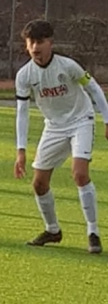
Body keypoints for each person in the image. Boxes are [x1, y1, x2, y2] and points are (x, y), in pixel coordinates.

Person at [14, 18, 108, 254]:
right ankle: (53, 230)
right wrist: (21, 151)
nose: (35, 47)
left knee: (80, 174)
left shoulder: (68, 66)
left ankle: (93, 232)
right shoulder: (24, 75)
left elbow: (94, 89)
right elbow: (22, 112)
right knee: (39, 183)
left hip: (81, 121)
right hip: (54, 127)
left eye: (40, 41)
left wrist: (107, 119)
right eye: (31, 42)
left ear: (50, 42)